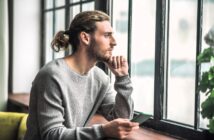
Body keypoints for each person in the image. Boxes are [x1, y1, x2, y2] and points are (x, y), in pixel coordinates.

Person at [24, 10, 139, 140]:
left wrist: (122, 78)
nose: (114, 42)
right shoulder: (52, 75)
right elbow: (51, 135)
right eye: (107, 35)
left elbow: (122, 120)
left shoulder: (100, 78)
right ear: (85, 38)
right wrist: (103, 130)